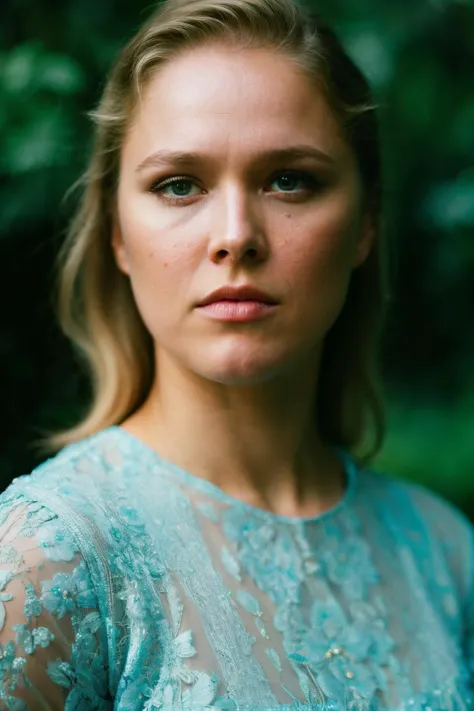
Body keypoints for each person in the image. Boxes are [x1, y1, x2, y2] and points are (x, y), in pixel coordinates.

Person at [0, 0, 473, 708]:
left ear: (366, 222)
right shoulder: (49, 560)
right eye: (179, 184)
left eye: (289, 179)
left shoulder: (446, 553)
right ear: (118, 234)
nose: (236, 236)